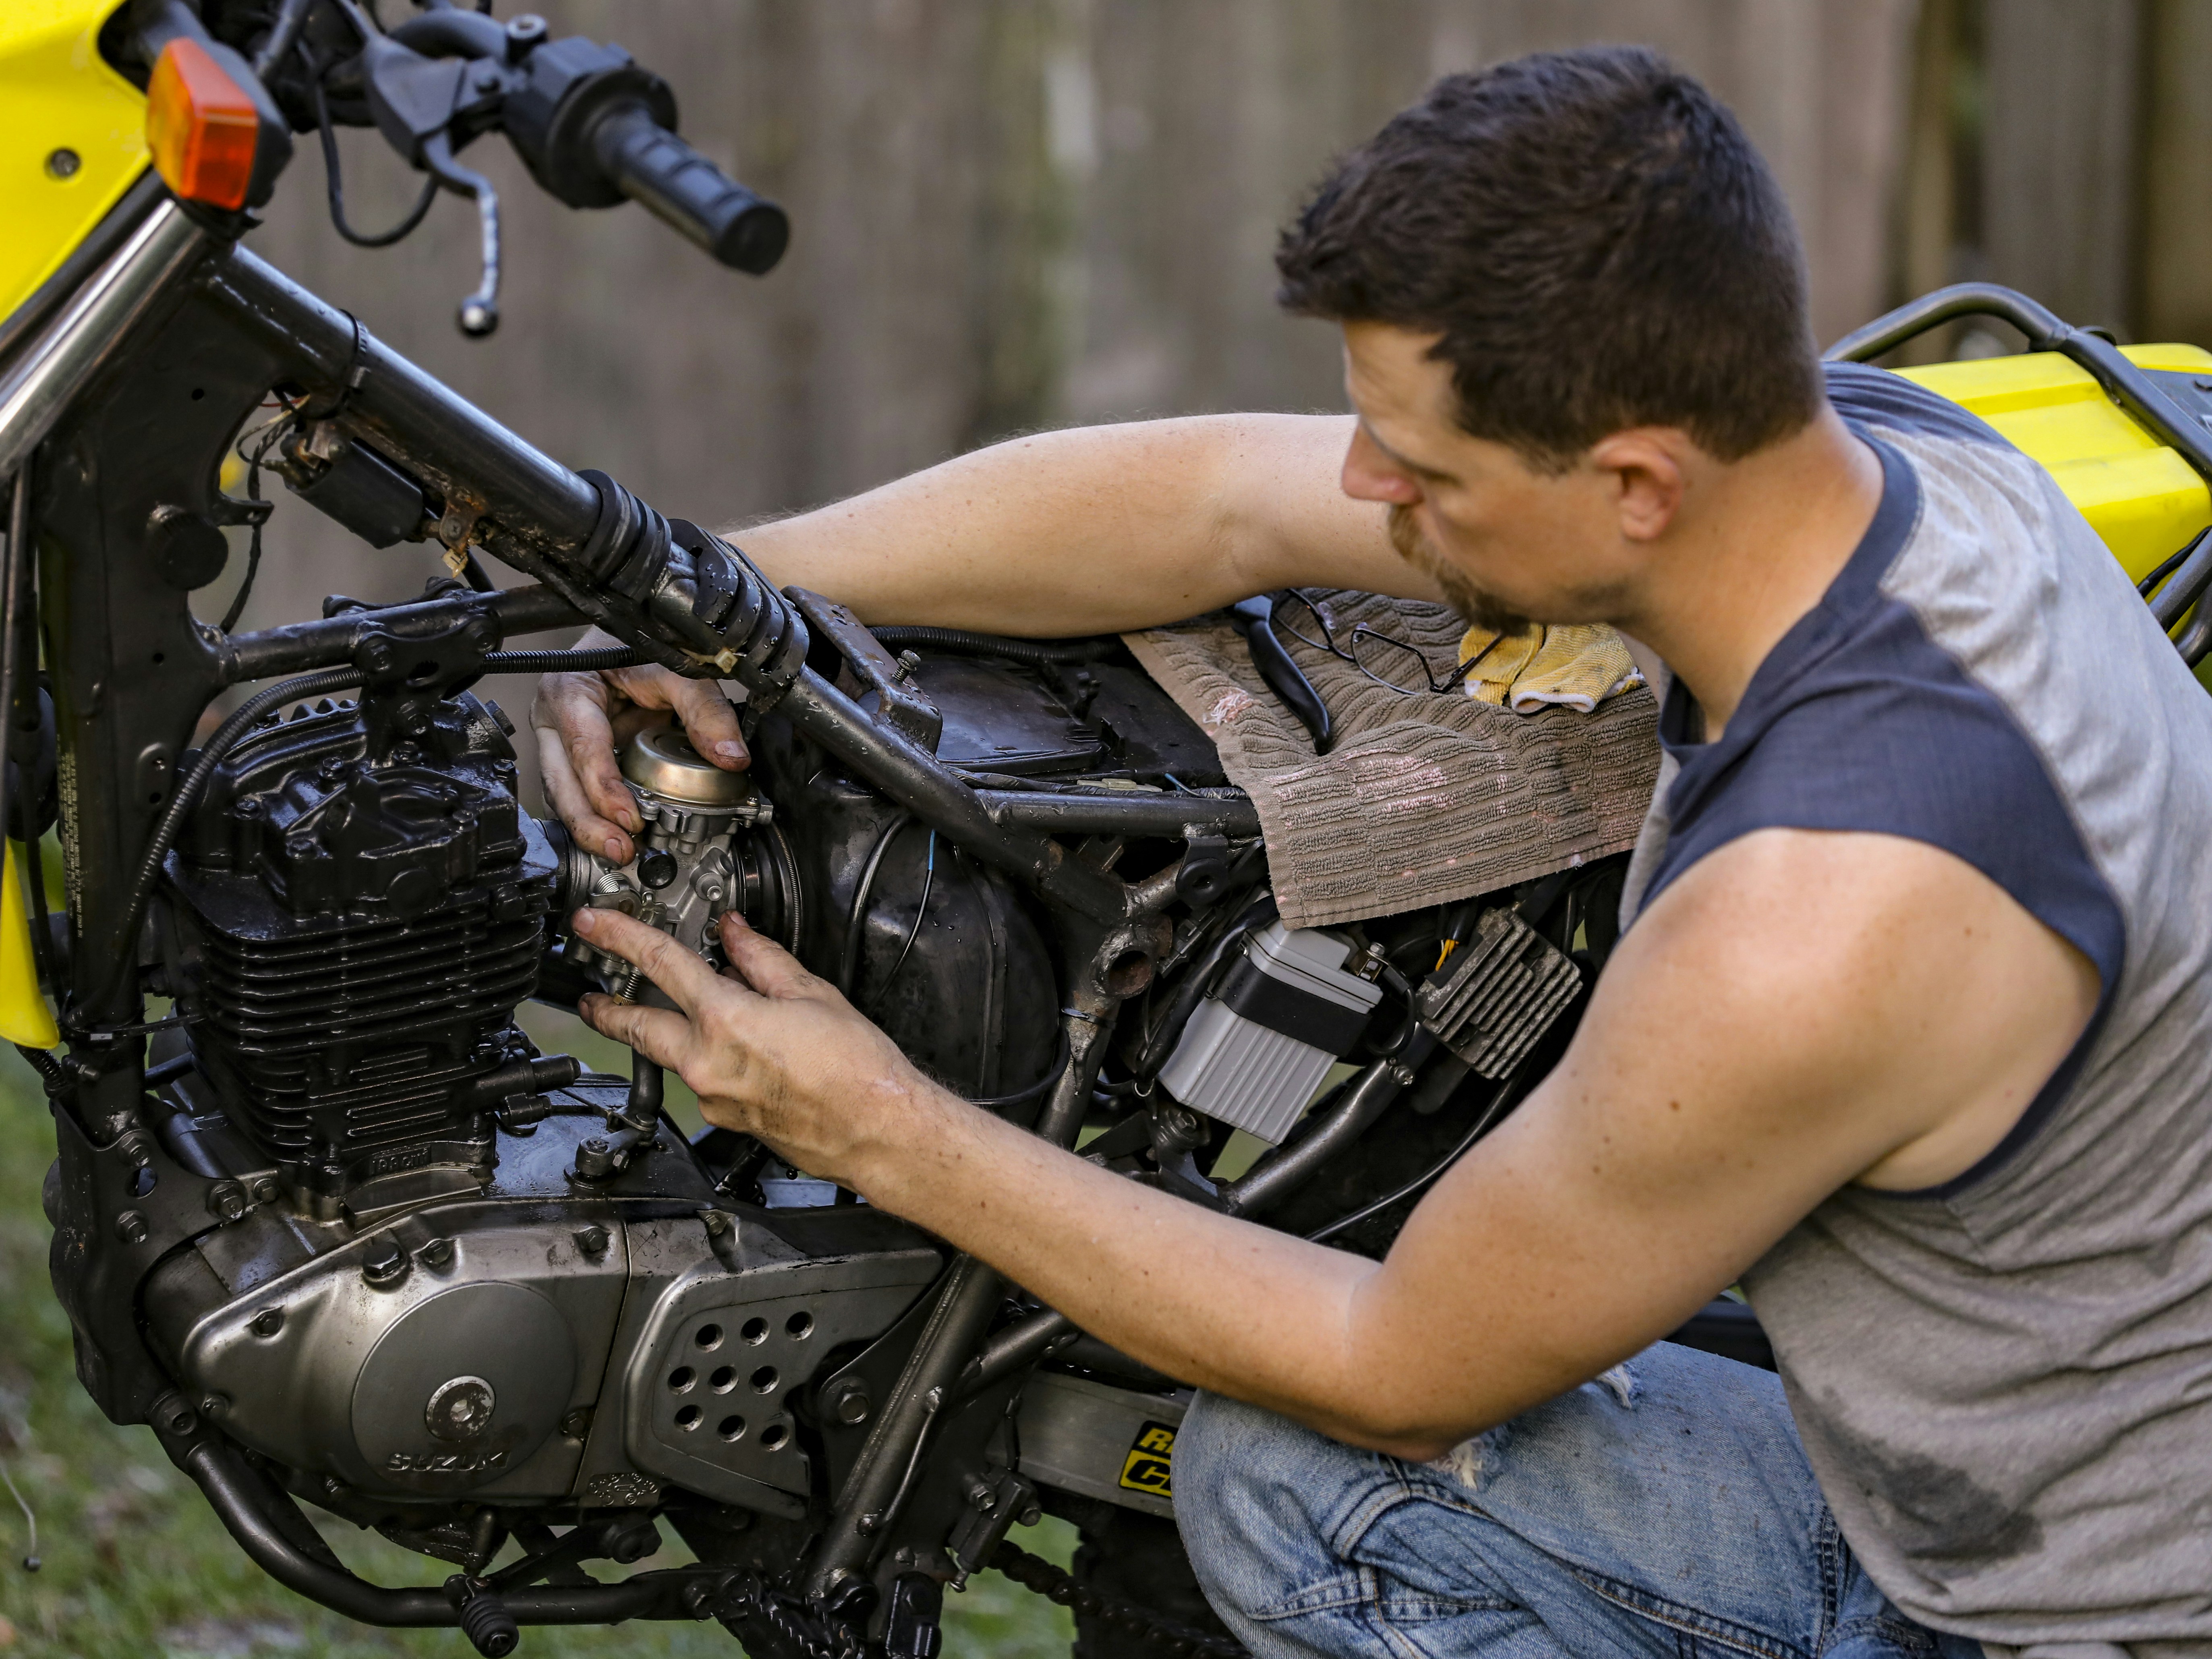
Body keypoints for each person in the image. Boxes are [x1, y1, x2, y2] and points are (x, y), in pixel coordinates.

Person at [531, 47, 2212, 1659]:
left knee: (1295, 1483)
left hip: (2071, 1610)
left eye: (1414, 473)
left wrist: (876, 1125)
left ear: (1632, 482)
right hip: (2082, 1422)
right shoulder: (1892, 472)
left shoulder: (1816, 917)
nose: (1357, 488)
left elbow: (1396, 1365)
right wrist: (702, 589)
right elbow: (1217, 504)